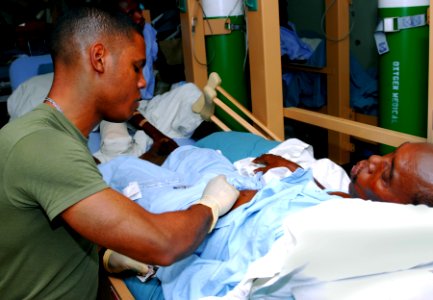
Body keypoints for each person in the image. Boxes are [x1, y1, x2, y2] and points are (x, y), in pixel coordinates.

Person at [0, 6, 240, 299]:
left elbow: (54, 237)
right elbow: (164, 243)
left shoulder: (57, 136)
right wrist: (210, 205)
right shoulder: (45, 146)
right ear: (99, 58)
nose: (142, 81)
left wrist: (107, 256)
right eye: (136, 67)